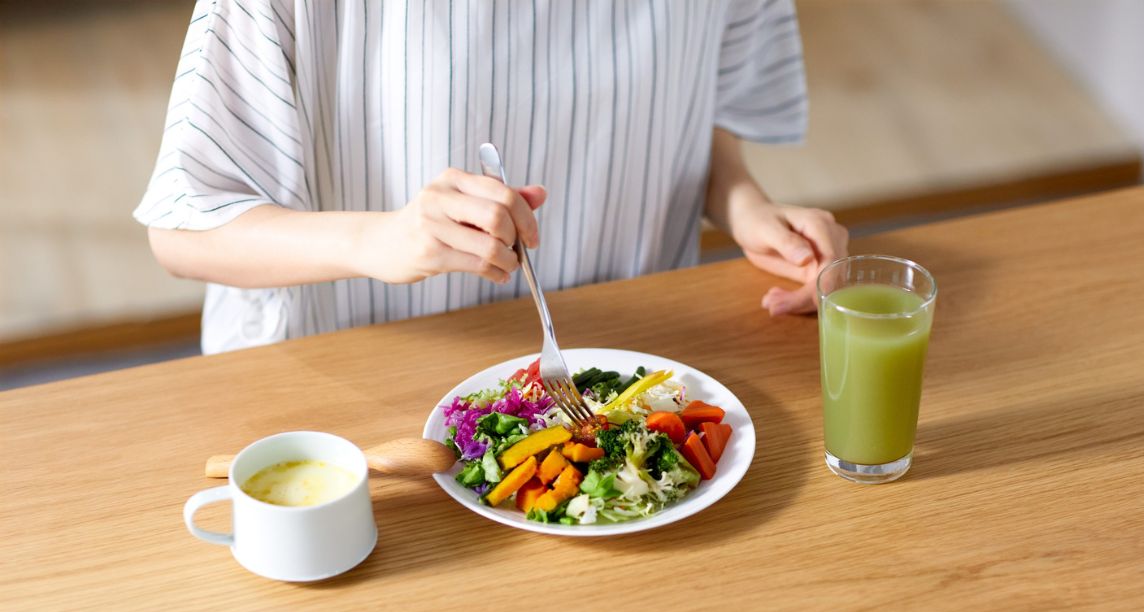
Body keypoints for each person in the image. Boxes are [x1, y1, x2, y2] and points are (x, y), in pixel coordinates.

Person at [136, 0, 848, 354]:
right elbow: (183, 228)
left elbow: (696, 101)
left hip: (636, 368)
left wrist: (744, 204)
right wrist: (378, 241)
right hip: (367, 393)